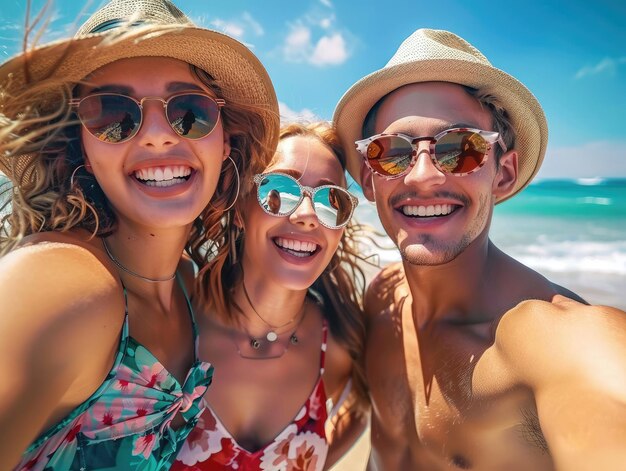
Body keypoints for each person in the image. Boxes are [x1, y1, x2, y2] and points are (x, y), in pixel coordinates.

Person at [0, 0, 279, 469]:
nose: (157, 135)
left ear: (225, 139)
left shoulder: (192, 286)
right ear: (82, 147)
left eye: (190, 111)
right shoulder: (61, 283)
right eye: (111, 114)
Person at [333, 29, 626, 470]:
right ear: (371, 179)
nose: (422, 177)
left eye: (460, 148)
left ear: (503, 173)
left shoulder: (555, 341)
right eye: (392, 153)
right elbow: (362, 412)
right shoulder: (382, 301)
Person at [173, 122, 370, 470]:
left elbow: (360, 411)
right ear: (240, 207)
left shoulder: (338, 350)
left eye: (330, 200)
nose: (308, 216)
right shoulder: (174, 308)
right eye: (279, 191)